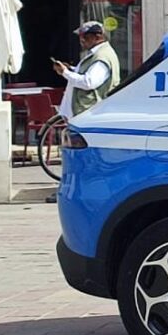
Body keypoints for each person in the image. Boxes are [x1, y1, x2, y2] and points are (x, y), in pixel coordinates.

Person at [48, 21, 121, 203]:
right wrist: (70, 70)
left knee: (86, 157)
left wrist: (66, 73)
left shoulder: (102, 57)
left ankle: (84, 191)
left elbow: (89, 82)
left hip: (88, 113)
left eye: (85, 37)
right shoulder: (93, 56)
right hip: (81, 113)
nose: (82, 41)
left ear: (98, 37)